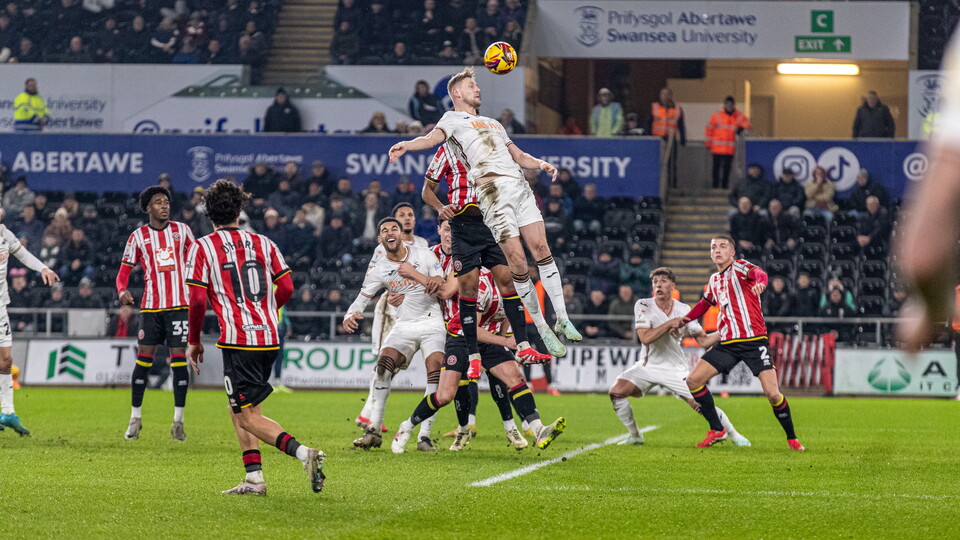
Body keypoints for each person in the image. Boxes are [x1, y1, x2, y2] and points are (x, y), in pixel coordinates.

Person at [388, 67, 581, 359]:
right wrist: (407, 145)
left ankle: (562, 319)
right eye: (471, 86)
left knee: (539, 250)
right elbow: (430, 139)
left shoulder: (493, 123)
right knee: (509, 267)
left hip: (517, 186)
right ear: (457, 93)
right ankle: (535, 331)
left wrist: (540, 164)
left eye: (477, 86)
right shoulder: (450, 120)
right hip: (487, 197)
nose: (477, 90)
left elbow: (518, 155)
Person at [185, 178, 325, 495]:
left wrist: (194, 340)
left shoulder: (203, 247)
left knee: (248, 417)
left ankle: (306, 455)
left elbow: (196, 300)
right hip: (269, 337)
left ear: (209, 213)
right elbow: (287, 287)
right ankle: (254, 477)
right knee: (240, 408)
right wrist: (263, 310)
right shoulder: (264, 243)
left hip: (238, 340)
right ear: (239, 209)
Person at [392, 220, 565, 453]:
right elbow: (470, 325)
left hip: (490, 337)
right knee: (444, 395)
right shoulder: (479, 280)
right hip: (460, 336)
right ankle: (407, 426)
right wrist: (505, 342)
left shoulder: (509, 283)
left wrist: (507, 342)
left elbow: (506, 314)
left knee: (514, 376)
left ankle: (537, 429)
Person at [421, 141, 549, 368]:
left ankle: (523, 345)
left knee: (509, 281)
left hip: (492, 224)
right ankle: (473, 356)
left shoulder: (491, 146)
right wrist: (441, 208)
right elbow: (426, 191)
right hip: (463, 226)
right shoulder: (446, 151)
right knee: (468, 288)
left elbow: (514, 170)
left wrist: (537, 166)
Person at [682, 234, 805, 451]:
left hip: (754, 340)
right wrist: (685, 319)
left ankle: (792, 438)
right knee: (693, 381)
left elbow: (760, 273)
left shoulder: (739, 267)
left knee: (773, 394)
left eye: (722, 246)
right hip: (728, 342)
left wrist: (761, 284)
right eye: (713, 247)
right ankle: (717, 429)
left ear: (732, 252)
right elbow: (705, 303)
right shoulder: (714, 280)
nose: (717, 250)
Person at [609, 267, 749, 446]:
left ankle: (734, 435)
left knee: (700, 404)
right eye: (655, 282)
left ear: (672, 285)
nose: (658, 285)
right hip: (647, 366)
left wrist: (725, 333)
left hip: (674, 368)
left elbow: (704, 340)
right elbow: (644, 338)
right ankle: (635, 435)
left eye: (663, 281)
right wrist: (669, 324)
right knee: (616, 392)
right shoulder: (643, 305)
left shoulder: (684, 310)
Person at [343, 217, 447, 450]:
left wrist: (417, 277)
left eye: (394, 229)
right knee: (383, 366)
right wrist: (350, 314)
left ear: (401, 235)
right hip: (404, 325)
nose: (390, 233)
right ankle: (374, 430)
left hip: (432, 323)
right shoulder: (380, 269)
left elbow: (440, 285)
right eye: (384, 230)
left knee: (434, 372)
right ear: (380, 240)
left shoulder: (424, 254)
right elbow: (363, 296)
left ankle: (424, 437)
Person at [116, 185, 196, 442]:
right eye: (159, 202)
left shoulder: (182, 231)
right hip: (151, 308)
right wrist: (121, 291)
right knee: (144, 362)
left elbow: (196, 262)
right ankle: (135, 419)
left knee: (178, 362)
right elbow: (123, 274)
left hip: (179, 307)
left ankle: (178, 422)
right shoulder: (138, 236)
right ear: (148, 208)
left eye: (166, 202)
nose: (165, 206)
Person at [0, 207, 59, 435]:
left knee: (6, 360)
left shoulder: (5, 233)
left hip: (1, 306)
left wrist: (43, 267)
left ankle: (8, 412)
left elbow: (23, 254)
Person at [705, 96, 751, 189]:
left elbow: (748, 124)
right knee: (716, 168)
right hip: (717, 148)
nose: (729, 106)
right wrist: (708, 143)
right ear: (725, 104)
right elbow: (709, 129)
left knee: (727, 168)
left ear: (733, 104)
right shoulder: (717, 115)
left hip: (729, 148)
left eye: (731, 104)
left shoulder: (739, 116)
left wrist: (741, 127)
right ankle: (715, 186)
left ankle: (724, 186)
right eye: (727, 104)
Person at [648, 87, 686, 187]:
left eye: (667, 94)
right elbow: (648, 123)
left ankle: (672, 183)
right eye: (662, 94)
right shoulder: (655, 107)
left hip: (670, 138)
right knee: (657, 162)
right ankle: (657, 184)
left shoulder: (677, 108)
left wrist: (683, 138)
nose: (665, 96)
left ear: (670, 95)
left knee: (671, 162)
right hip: (657, 139)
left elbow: (681, 125)